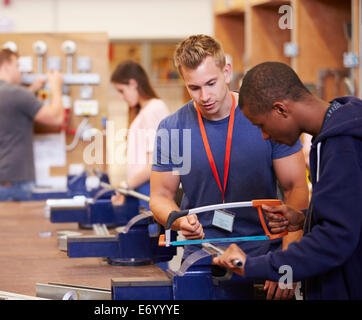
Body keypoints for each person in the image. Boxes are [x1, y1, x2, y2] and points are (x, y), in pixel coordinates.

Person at [149, 35, 310, 299]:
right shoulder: (173, 128)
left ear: (227, 71)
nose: (205, 96)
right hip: (201, 262)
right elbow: (160, 196)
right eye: (194, 88)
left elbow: (296, 188)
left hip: (263, 261)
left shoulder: (266, 116)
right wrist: (177, 219)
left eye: (211, 83)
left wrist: (286, 260)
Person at [212, 61, 362, 300]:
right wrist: (305, 220)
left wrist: (250, 265)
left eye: (261, 125)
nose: (264, 135)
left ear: (280, 109)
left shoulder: (342, 144)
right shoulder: (331, 137)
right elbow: (353, 215)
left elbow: (335, 239)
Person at [0, 48, 65, 202]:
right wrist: (56, 86)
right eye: (17, 66)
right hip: (14, 184)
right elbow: (56, 118)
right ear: (6, 66)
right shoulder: (16, 94)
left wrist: (31, 90)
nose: (21, 72)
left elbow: (11, 109)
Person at [110, 60, 170, 210]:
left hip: (151, 187)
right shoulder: (143, 111)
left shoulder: (154, 109)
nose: (122, 97)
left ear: (133, 83)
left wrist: (126, 185)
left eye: (121, 91)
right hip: (142, 187)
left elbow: (155, 163)